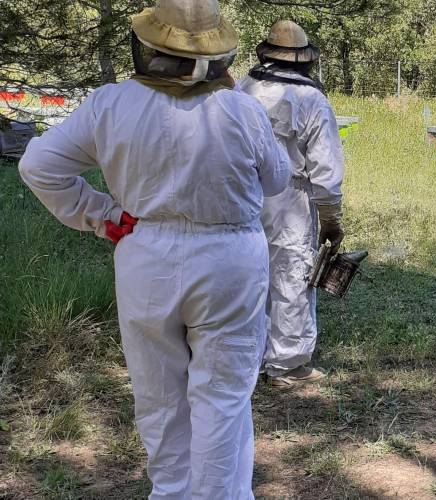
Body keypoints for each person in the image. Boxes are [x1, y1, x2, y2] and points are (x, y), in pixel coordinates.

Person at [18, 0, 291, 497]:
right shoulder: (241, 109)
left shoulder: (111, 103)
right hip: (229, 258)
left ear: (148, 47)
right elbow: (276, 180)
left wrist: (101, 216)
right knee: (222, 395)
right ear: (215, 54)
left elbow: (39, 165)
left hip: (146, 254)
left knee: (160, 394)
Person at [239, 20, 346, 388]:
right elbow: (326, 172)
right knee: (292, 275)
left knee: (249, 278)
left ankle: (247, 361)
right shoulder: (311, 100)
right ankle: (287, 366)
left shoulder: (244, 89)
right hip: (290, 199)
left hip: (245, 195)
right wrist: (331, 220)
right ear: (304, 60)